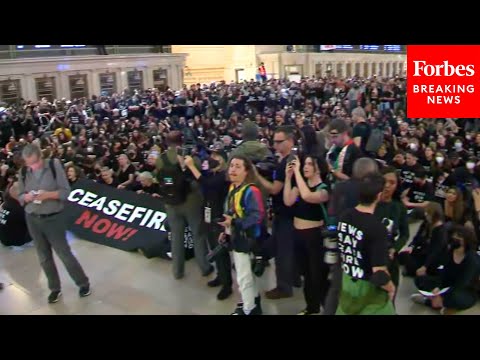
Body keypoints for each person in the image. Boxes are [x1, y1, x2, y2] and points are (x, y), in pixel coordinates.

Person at [17, 144, 90, 303]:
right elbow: (20, 195)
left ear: (40, 157)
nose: (32, 167)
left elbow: (65, 192)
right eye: (29, 164)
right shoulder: (23, 172)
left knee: (64, 253)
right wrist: (26, 197)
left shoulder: (53, 165)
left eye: (34, 163)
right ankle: (54, 288)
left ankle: (82, 282)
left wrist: (47, 195)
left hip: (53, 218)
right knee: (44, 257)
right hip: (33, 217)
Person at [323, 157, 380, 315]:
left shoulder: (340, 188)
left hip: (343, 244)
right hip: (365, 248)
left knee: (336, 286)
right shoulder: (370, 192)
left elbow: (331, 215)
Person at [336, 174, 396, 315]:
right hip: (368, 291)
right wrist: (390, 287)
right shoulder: (377, 228)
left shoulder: (344, 216)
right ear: (379, 195)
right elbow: (379, 273)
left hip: (347, 282)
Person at [156, 131, 212, 279]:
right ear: (182, 142)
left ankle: (177, 271)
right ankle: (204, 267)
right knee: (198, 234)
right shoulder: (189, 157)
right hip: (191, 200)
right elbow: (199, 173)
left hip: (170, 201)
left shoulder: (160, 159)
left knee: (176, 237)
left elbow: (159, 179)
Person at [184, 142, 233, 300]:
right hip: (208, 214)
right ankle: (220, 276)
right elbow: (199, 179)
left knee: (221, 251)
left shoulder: (223, 177)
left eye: (216, 156)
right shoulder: (211, 173)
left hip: (219, 218)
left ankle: (227, 285)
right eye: (211, 155)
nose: (212, 158)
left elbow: (207, 184)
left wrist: (192, 167)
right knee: (213, 248)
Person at [218, 155, 265, 315]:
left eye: (238, 166)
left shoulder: (251, 191)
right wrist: (225, 232)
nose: (233, 169)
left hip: (247, 239)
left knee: (243, 277)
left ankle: (248, 309)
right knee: (246, 274)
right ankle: (252, 302)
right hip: (236, 236)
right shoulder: (232, 188)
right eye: (232, 166)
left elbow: (257, 215)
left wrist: (235, 222)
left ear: (247, 171)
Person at [283, 155, 330, 314]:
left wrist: (296, 173)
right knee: (306, 275)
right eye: (305, 164)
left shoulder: (323, 188)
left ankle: (328, 307)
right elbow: (288, 201)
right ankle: (312, 307)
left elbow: (308, 196)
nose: (305, 167)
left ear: (319, 168)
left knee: (318, 275)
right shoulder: (299, 185)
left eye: (310, 164)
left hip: (314, 236)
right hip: (298, 235)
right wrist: (289, 178)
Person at [256, 126, 298, 299]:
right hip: (292, 212)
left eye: (279, 142)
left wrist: (257, 176)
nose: (275, 145)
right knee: (286, 248)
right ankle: (295, 278)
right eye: (274, 141)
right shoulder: (294, 159)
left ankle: (284, 287)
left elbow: (274, 189)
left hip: (286, 212)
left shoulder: (286, 163)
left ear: (290, 141)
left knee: (283, 253)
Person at [411, 225, 480, 315]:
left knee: (454, 296)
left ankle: (429, 301)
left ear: (466, 241)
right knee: (420, 280)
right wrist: (438, 288)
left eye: (458, 237)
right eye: (454, 236)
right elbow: (444, 273)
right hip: (447, 285)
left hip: (464, 290)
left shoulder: (471, 259)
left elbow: (462, 284)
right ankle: (440, 302)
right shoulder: (451, 251)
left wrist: (442, 295)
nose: (454, 238)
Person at [374, 166, 409, 299]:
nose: (387, 186)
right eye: (384, 181)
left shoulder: (398, 207)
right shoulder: (370, 204)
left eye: (392, 183)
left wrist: (395, 248)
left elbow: (405, 234)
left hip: (389, 259)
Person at [399, 202, 449, 277]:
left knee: (412, 265)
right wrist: (411, 246)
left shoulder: (440, 231)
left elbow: (435, 252)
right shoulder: (426, 223)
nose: (425, 214)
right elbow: (417, 237)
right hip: (421, 252)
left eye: (428, 213)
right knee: (402, 255)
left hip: (431, 259)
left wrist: (425, 266)